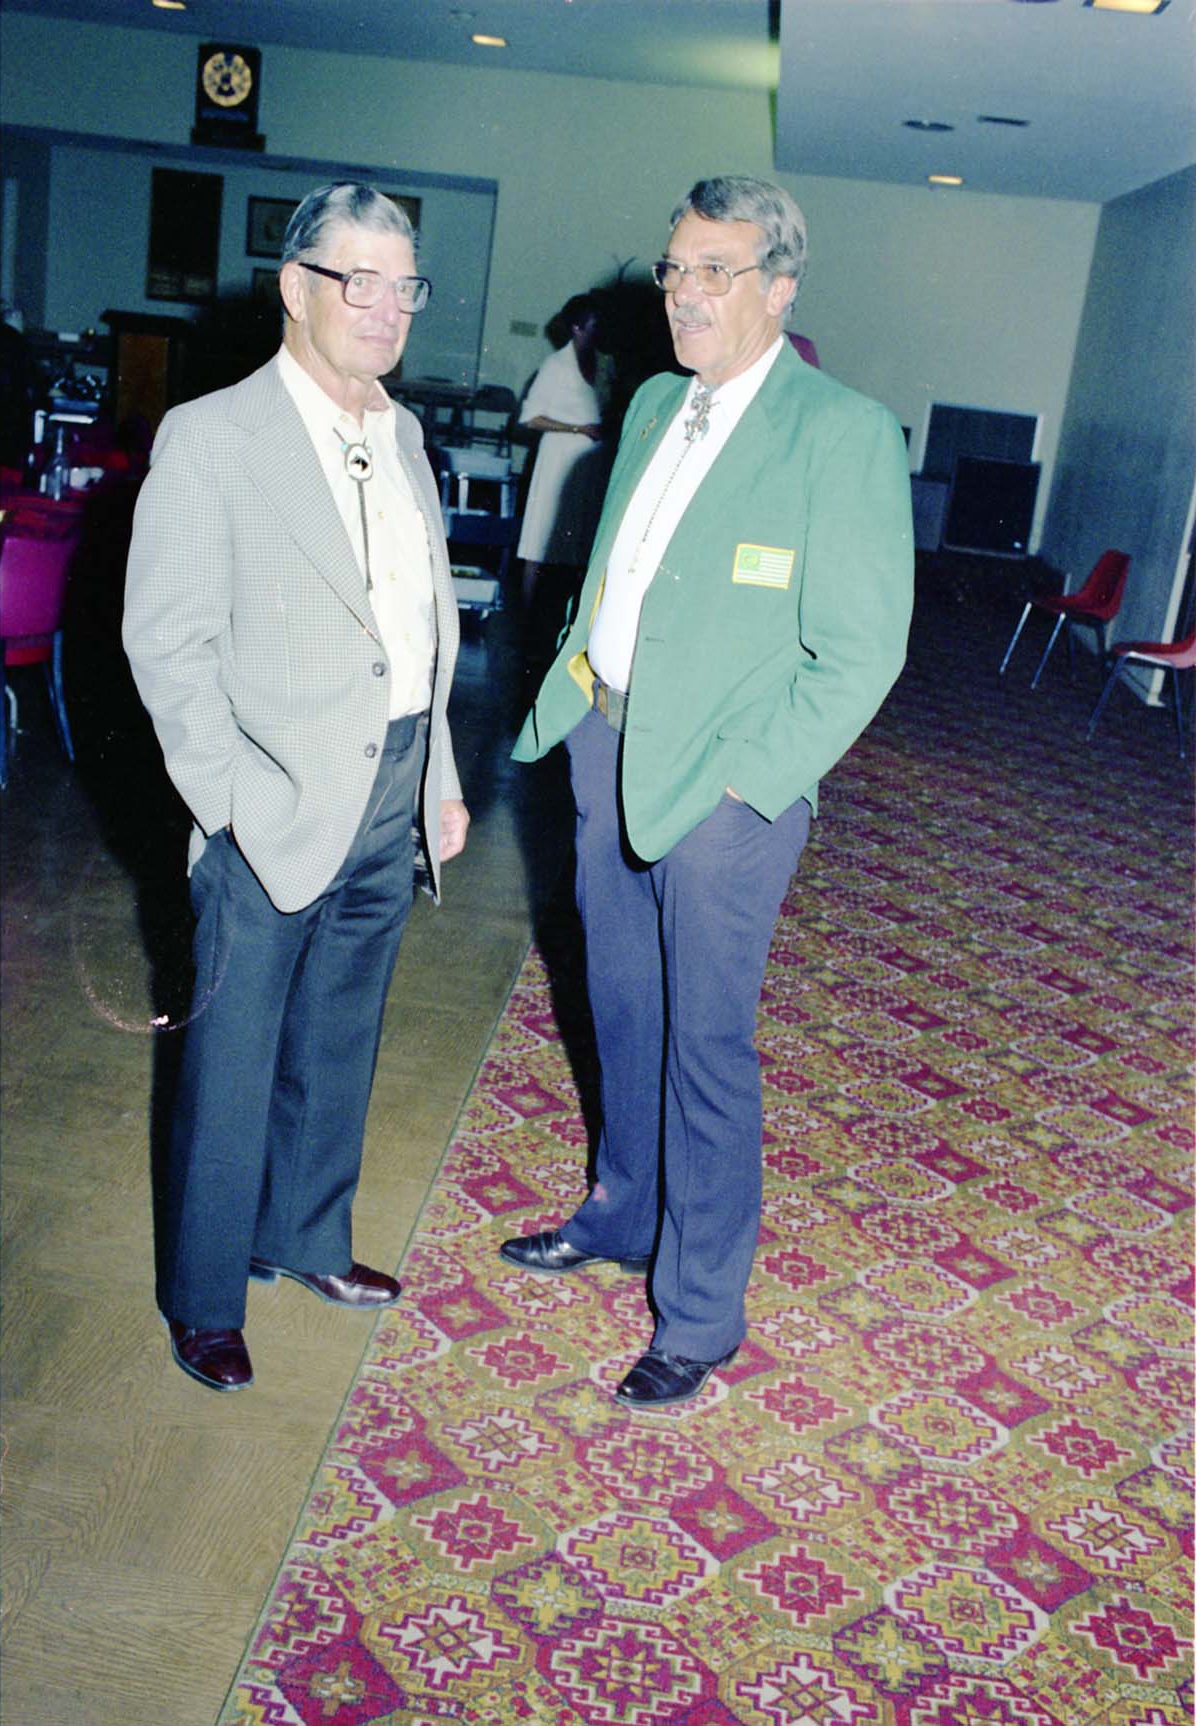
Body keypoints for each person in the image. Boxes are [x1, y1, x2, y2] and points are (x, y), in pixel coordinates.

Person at [501, 175, 913, 1408]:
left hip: (729, 790)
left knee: (705, 1045)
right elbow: (622, 567)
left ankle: (699, 1312)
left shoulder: (839, 432)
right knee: (619, 1007)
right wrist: (582, 682)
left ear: (778, 290)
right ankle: (623, 1212)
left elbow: (862, 650)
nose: (682, 293)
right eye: (675, 269)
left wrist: (749, 783)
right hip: (606, 743)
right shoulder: (650, 407)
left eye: (712, 271)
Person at [123, 182, 469, 1392]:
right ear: (295, 287)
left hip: (390, 786)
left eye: (401, 284)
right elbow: (164, 641)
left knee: (340, 1036)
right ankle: (209, 1293)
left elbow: (420, 624)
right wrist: (225, 802)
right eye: (354, 279)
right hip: (267, 801)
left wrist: (440, 777)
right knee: (230, 1059)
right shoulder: (214, 437)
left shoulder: (408, 432)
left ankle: (310, 1234)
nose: (382, 308)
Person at [516, 294, 610, 648]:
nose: (597, 331)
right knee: (540, 538)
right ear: (576, 327)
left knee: (574, 544)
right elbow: (531, 417)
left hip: (586, 465)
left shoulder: (599, 364)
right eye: (592, 325)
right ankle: (526, 623)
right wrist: (578, 429)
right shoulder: (556, 366)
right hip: (557, 458)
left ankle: (562, 619)